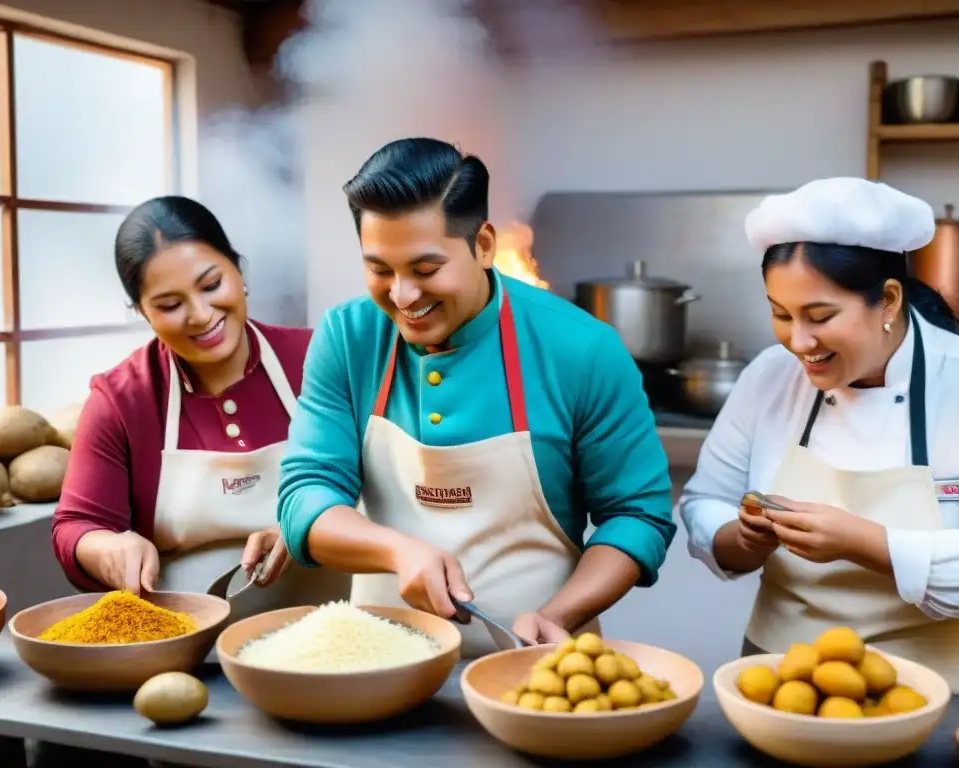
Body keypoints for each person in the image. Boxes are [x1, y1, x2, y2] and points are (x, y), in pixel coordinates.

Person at [276, 137, 676, 656]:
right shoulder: (348, 337)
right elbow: (305, 496)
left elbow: (638, 515)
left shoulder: (583, 349)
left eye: (425, 270)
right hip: (376, 663)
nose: (402, 296)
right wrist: (398, 551)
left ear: (484, 245)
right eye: (379, 270)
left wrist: (560, 615)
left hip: (536, 664)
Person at [678, 177, 959, 696]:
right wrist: (742, 538)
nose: (799, 342)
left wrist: (864, 542)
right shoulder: (769, 375)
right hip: (788, 682)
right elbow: (705, 502)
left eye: (821, 315)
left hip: (949, 690)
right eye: (780, 314)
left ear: (889, 300)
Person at [51, 196, 350, 619]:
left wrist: (310, 521)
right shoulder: (120, 400)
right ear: (142, 312)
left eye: (212, 285)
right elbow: (75, 527)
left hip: (337, 633)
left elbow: (379, 485)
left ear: (238, 270)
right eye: (170, 305)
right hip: (190, 650)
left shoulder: (321, 357)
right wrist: (109, 546)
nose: (200, 314)